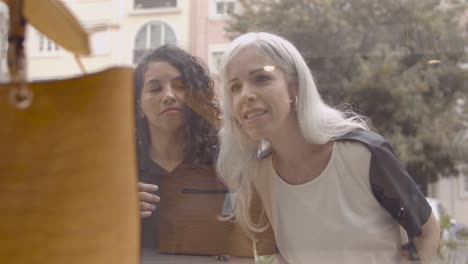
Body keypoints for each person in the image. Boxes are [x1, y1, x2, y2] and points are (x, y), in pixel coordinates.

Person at [216, 32, 441, 264]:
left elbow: (427, 233)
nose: (246, 95)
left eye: (261, 78)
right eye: (235, 87)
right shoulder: (259, 175)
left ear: (294, 87)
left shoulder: (364, 154)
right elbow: (283, 255)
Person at [134, 44, 275, 258]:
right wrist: (115, 213)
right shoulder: (120, 166)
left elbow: (255, 246)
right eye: (155, 89)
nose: (169, 95)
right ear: (138, 107)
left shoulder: (228, 159)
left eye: (181, 86)